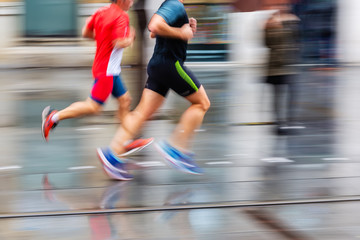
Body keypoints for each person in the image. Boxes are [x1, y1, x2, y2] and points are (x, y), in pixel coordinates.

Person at [97, 0, 211, 180]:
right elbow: (154, 25)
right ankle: (175, 148)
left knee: (141, 113)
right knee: (202, 103)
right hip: (170, 65)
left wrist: (184, 26)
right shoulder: (174, 4)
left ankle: (112, 154)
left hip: (158, 66)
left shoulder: (171, 6)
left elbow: (153, 33)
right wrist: (182, 33)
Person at [41, 0, 154, 170]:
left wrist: (103, 38)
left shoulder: (100, 12)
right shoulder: (122, 16)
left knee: (125, 100)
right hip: (107, 71)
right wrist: (130, 38)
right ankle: (53, 118)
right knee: (93, 107)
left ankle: (125, 139)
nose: (132, 1)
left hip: (108, 69)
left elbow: (85, 32)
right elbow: (118, 42)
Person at [263, 2, 301, 135]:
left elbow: (296, 40)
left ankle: (288, 122)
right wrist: (270, 27)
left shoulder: (292, 21)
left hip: (289, 65)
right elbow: (266, 43)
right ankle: (279, 123)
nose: (281, 7)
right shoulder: (270, 22)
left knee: (291, 95)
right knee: (278, 96)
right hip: (276, 67)